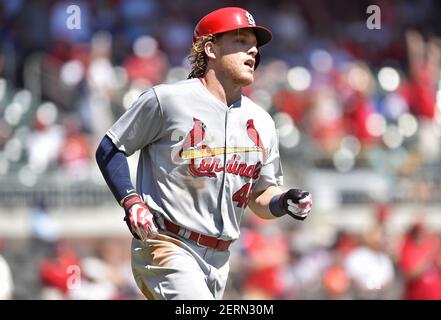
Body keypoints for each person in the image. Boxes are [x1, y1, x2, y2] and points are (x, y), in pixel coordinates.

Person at [95, 7, 312, 300]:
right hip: (166, 245)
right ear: (210, 48)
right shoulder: (169, 100)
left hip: (220, 260)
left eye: (254, 45)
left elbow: (259, 197)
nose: (253, 51)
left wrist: (283, 201)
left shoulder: (262, 121)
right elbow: (111, 147)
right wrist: (131, 202)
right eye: (241, 41)